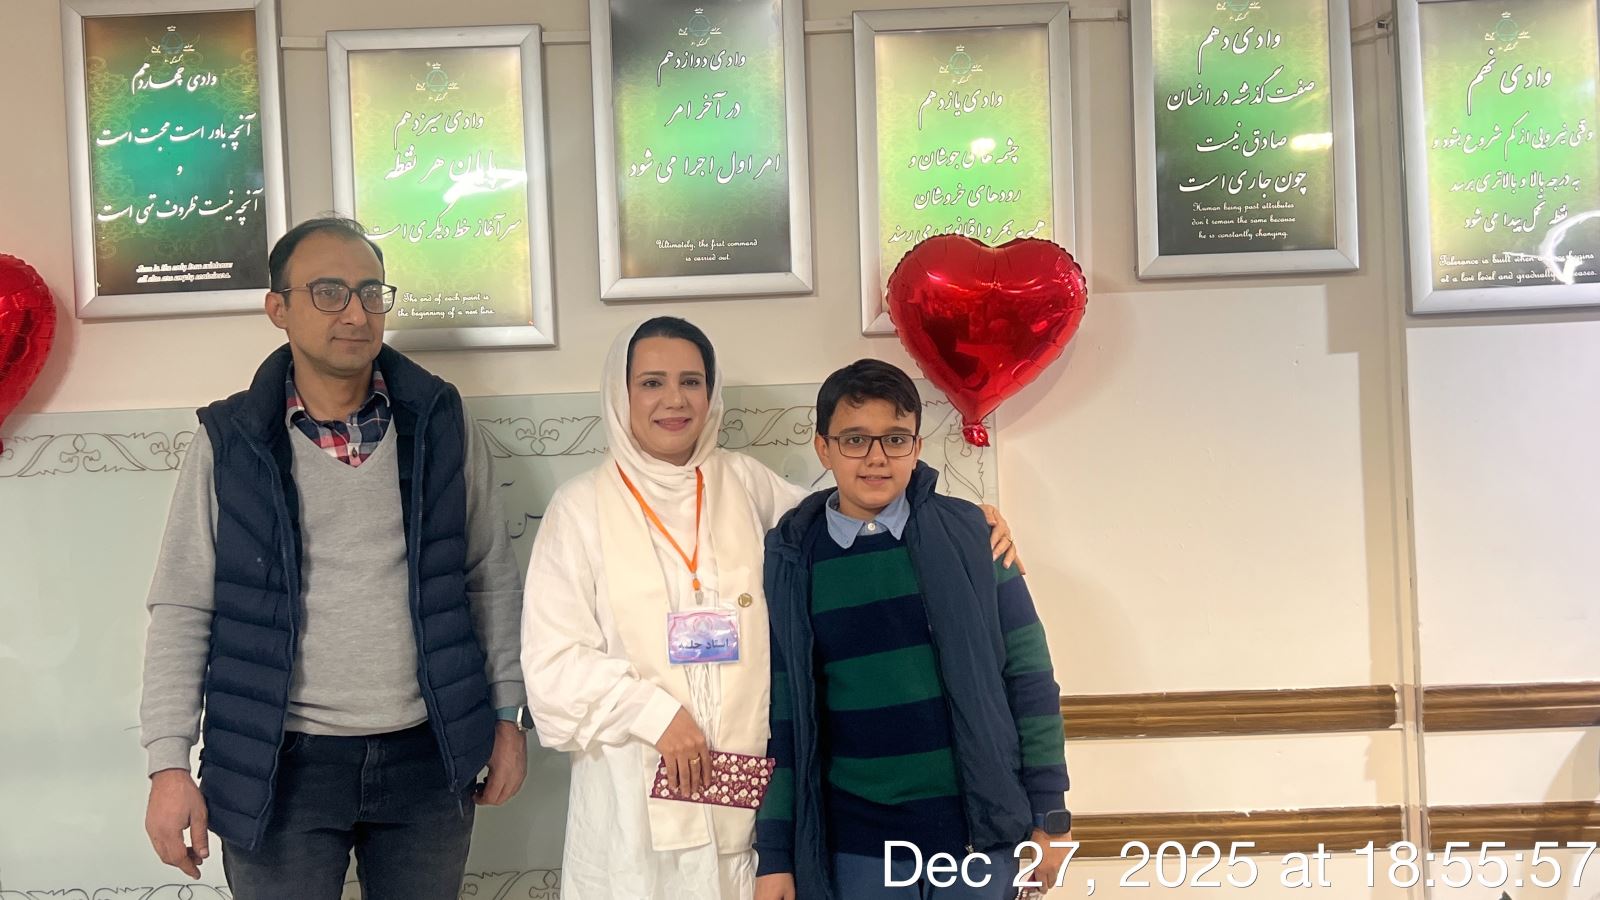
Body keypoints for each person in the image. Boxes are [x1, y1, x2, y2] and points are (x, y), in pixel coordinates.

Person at [520, 319, 1017, 900]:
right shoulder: (579, 508)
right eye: (652, 382)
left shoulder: (745, 484)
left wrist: (965, 521)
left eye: (691, 381)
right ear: (619, 392)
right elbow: (552, 664)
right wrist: (655, 716)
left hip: (745, 796)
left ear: (711, 393)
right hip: (634, 795)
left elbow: (856, 513)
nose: (674, 399)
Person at [138, 216, 529, 900]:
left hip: (430, 753)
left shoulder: (440, 422)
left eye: (371, 292)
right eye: (328, 292)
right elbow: (182, 605)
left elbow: (488, 579)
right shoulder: (231, 440)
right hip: (279, 762)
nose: (355, 312)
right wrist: (168, 764)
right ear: (278, 309)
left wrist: (508, 716)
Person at [755, 359, 1072, 900]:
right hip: (858, 849)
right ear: (824, 448)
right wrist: (776, 855)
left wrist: (1051, 818)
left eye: (895, 439)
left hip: (977, 838)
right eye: (855, 439)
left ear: (917, 447)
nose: (876, 457)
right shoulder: (794, 559)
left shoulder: (973, 537)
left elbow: (1031, 682)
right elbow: (783, 716)